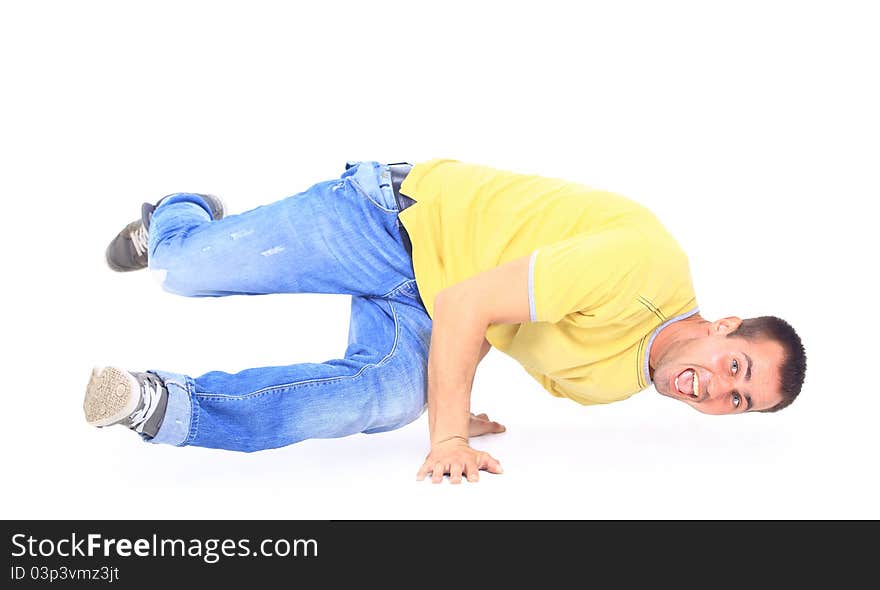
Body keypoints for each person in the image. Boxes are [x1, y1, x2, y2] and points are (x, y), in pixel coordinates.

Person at [83, 159, 807, 484]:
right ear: (725, 326)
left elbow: (500, 320)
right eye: (734, 367)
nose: (714, 389)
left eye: (736, 401)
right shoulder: (642, 266)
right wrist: (449, 430)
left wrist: (451, 397)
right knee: (190, 271)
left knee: (389, 400)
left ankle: (158, 406)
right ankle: (177, 213)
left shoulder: (614, 386)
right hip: (391, 220)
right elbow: (471, 307)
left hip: (430, 298)